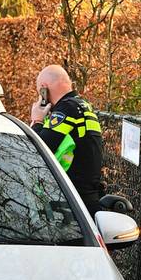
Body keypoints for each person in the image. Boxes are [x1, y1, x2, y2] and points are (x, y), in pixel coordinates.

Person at [29, 65, 104, 212]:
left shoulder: (66, 109)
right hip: (87, 198)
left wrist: (37, 121)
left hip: (72, 202)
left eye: (39, 91)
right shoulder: (83, 106)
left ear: (44, 88)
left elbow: (39, 150)